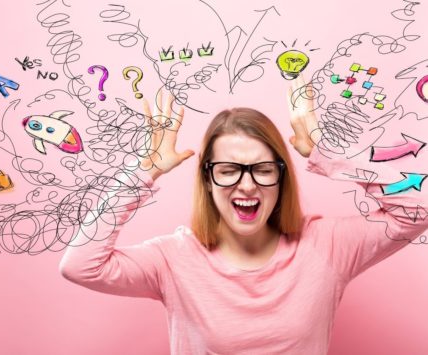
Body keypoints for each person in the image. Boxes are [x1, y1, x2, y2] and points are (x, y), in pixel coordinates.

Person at [59, 77, 428, 354]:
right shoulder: (172, 259)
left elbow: (419, 209)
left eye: (262, 169)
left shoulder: (327, 245)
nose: (247, 185)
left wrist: (325, 153)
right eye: (228, 169)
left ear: (282, 176)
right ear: (207, 178)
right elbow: (80, 266)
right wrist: (144, 172)